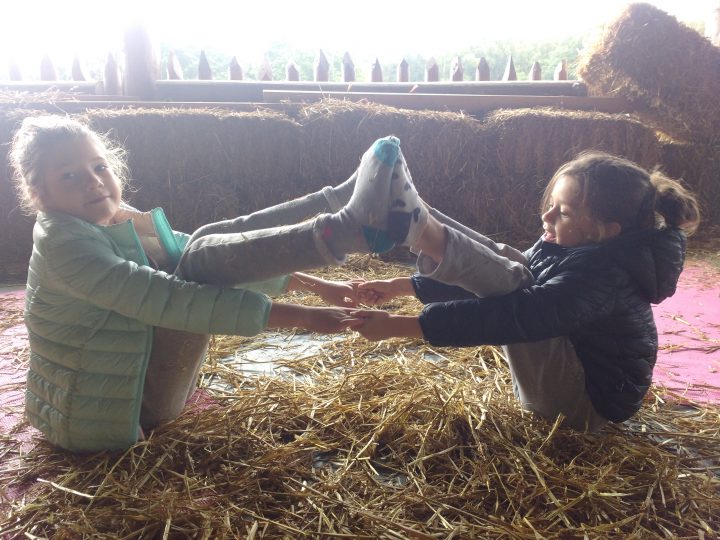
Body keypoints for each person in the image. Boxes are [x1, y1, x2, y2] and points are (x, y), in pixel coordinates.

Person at [9, 116, 418, 452]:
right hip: (102, 418)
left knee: (204, 243)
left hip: (130, 384)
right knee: (199, 267)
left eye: (99, 167)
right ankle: (343, 225)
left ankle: (336, 208)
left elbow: (197, 247)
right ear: (38, 192)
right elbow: (169, 300)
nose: (94, 182)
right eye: (70, 176)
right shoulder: (65, 245)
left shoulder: (104, 217)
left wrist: (313, 284)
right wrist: (305, 317)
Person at [352, 150, 700, 432]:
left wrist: (403, 326)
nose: (547, 215)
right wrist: (401, 287)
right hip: (565, 384)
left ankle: (421, 228)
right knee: (511, 263)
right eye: (551, 203)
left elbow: (520, 316)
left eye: (562, 212)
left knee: (516, 286)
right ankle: (420, 218)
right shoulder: (564, 246)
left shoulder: (608, 274)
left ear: (605, 231)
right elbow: (490, 273)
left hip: (584, 407)